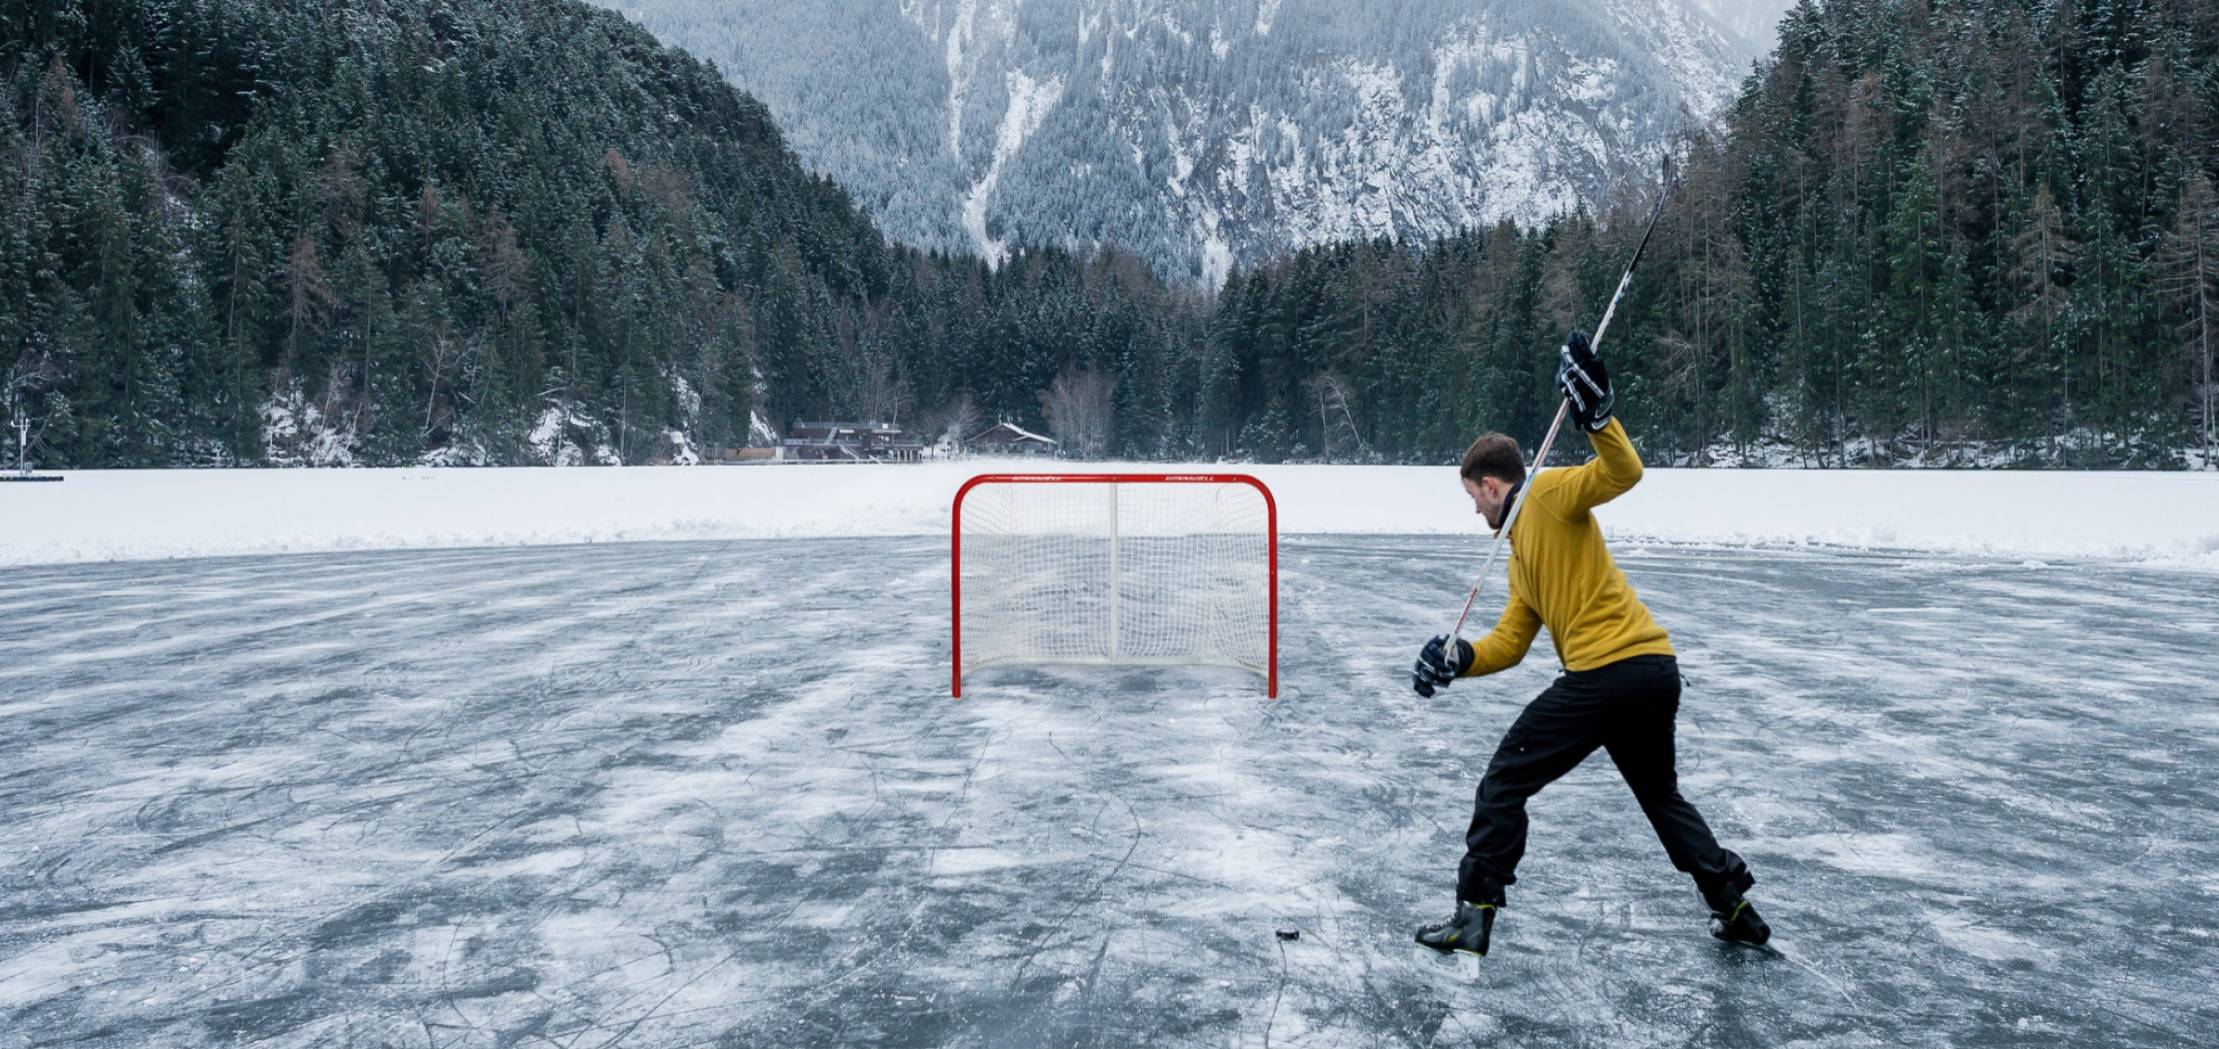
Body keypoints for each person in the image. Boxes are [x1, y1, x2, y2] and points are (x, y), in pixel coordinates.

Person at [1408, 331, 1770, 959]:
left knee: (1504, 780)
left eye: (1472, 498)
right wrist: (1460, 658)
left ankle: (1473, 914)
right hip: (1652, 671)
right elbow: (1511, 642)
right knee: (1660, 797)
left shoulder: (1548, 494)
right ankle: (1732, 905)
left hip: (1609, 673)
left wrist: (1598, 418)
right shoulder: (1520, 554)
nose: (1474, 512)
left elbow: (1623, 472)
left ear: (1491, 486)